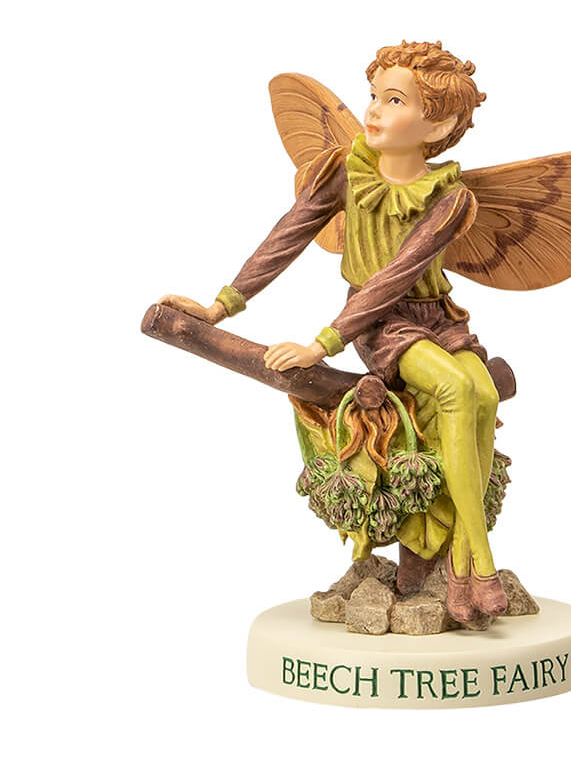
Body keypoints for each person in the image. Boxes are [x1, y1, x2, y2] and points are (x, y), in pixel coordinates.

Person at [160, 41, 507, 621]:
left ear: (438, 124)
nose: (372, 109)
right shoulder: (345, 170)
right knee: (455, 389)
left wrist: (322, 342)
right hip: (379, 325)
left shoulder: (451, 198)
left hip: (437, 318)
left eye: (394, 101)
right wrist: (223, 306)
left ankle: (462, 556)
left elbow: (402, 273)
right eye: (373, 95)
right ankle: (480, 563)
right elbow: (289, 235)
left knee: (486, 394)